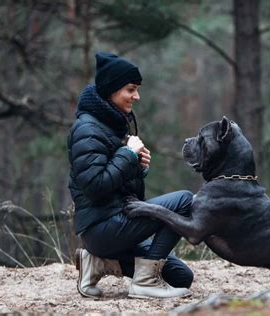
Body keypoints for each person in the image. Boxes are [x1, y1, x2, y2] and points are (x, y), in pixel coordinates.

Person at [67, 52, 193, 299]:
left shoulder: (111, 124)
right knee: (185, 201)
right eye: (131, 89)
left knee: (181, 276)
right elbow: (94, 186)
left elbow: (117, 184)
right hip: (101, 227)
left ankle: (98, 263)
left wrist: (138, 166)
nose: (137, 96)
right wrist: (127, 155)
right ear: (111, 90)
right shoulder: (87, 129)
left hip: (114, 224)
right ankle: (145, 282)